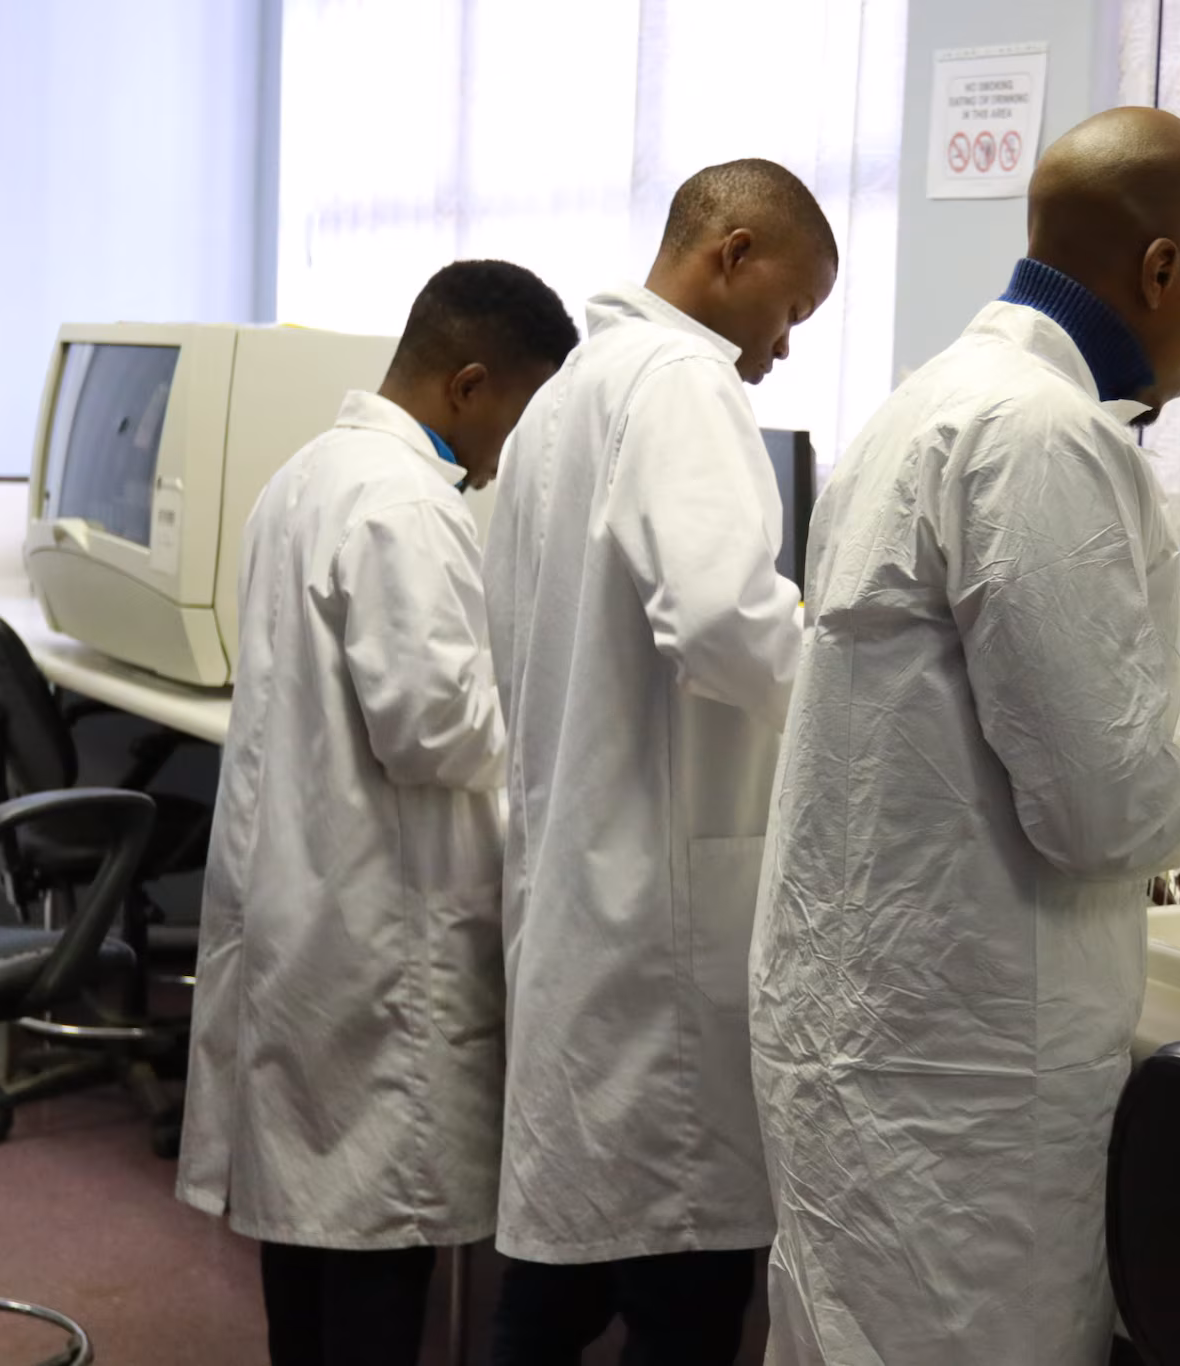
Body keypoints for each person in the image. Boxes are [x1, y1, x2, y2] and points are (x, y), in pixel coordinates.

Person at [749, 107, 1180, 1366]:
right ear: (1158, 271)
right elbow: (1099, 804)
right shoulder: (1043, 438)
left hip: (872, 1034)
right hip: (962, 1080)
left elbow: (1021, 705)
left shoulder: (928, 404)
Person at [176, 259, 578, 1366]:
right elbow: (438, 728)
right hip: (376, 937)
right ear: (468, 382)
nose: (514, 451)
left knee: (306, 1223)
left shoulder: (308, 473)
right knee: (370, 1235)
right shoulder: (407, 504)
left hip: (311, 910)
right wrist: (553, 692)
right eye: (521, 414)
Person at [482, 158, 837, 1365]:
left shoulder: (560, 401)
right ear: (732, 254)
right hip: (657, 931)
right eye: (790, 310)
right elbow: (724, 621)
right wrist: (857, 701)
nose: (780, 350)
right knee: (679, 1293)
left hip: (585, 904)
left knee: (555, 1282)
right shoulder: (683, 378)